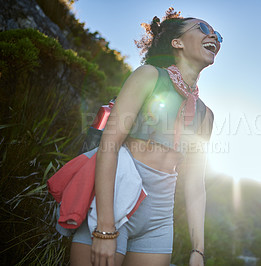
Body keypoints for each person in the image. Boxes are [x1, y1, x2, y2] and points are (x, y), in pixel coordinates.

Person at [69, 8, 222, 266]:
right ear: (177, 42)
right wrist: (105, 227)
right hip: (116, 203)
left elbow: (196, 185)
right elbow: (110, 144)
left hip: (160, 220)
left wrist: (198, 250)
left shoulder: (205, 115)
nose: (215, 37)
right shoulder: (149, 76)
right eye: (203, 29)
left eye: (218, 34)